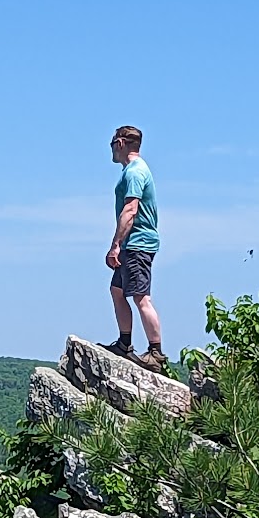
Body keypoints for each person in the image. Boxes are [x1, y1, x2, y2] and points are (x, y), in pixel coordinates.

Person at [102, 124, 166, 372]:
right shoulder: (132, 170)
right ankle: (124, 344)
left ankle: (156, 353)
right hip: (133, 243)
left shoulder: (135, 172)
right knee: (117, 291)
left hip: (138, 243)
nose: (111, 149)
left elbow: (130, 210)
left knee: (141, 297)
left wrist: (115, 245)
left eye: (112, 144)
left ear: (120, 143)